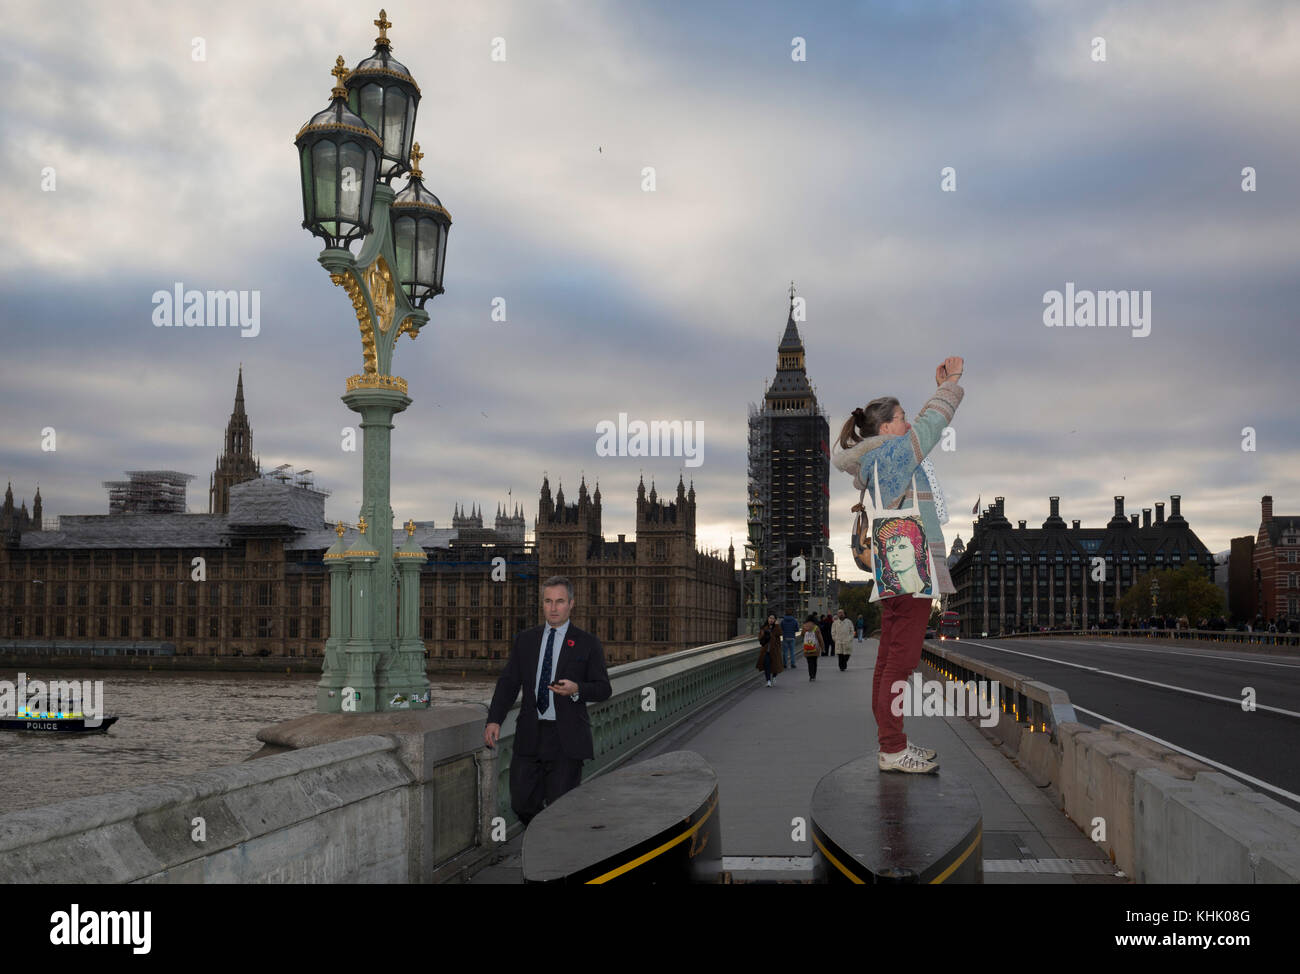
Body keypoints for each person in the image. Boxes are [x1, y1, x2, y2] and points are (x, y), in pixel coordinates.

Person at [832, 355, 965, 774]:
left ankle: (891, 744)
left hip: (895, 573)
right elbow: (929, 429)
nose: (908, 423)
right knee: (901, 662)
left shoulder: (879, 459)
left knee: (889, 658)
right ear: (886, 427)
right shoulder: (892, 456)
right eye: (901, 417)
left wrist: (935, 391)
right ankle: (892, 748)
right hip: (911, 574)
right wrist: (949, 387)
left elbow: (919, 429)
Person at [484, 575, 611, 825]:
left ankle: (555, 854)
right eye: (548, 602)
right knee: (520, 802)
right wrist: (494, 720)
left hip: (566, 737)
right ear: (541, 604)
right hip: (531, 733)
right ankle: (544, 833)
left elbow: (603, 689)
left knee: (560, 807)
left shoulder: (587, 643)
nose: (553, 608)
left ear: (571, 604)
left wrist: (577, 689)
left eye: (560, 601)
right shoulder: (525, 640)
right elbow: (509, 682)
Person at [756, 613, 785, 686]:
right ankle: (768, 681)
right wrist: (764, 634)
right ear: (767, 619)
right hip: (766, 650)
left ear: (775, 620)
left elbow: (780, 633)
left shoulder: (777, 628)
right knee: (767, 666)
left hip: (775, 650)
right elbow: (759, 637)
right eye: (770, 618)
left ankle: (774, 676)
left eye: (773, 618)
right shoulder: (764, 627)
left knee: (775, 665)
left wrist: (777, 625)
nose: (771, 620)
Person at [801, 614, 824, 680]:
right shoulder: (816, 627)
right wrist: (822, 647)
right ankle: (814, 675)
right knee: (814, 662)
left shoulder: (804, 627)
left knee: (809, 662)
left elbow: (802, 635)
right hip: (815, 647)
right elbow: (820, 639)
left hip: (807, 647)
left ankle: (810, 675)